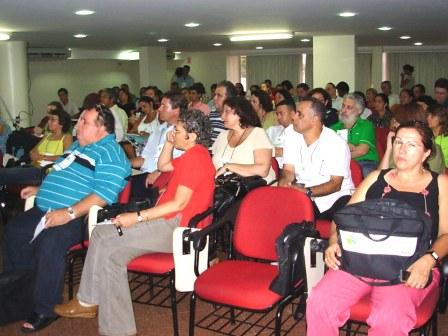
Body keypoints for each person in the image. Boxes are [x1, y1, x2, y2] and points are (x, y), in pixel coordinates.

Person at [54, 109, 215, 336]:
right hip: (168, 221)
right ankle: (115, 326)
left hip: (177, 227)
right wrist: (169, 143)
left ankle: (88, 303)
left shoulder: (196, 158)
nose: (173, 133)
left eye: (177, 130)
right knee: (110, 252)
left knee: (104, 238)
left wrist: (137, 217)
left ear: (192, 135)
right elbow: (164, 165)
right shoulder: (193, 155)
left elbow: (178, 204)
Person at [306, 121, 448, 336]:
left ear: (426, 152)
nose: (402, 149)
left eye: (411, 145)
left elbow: (447, 234)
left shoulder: (441, 184)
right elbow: (343, 218)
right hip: (363, 259)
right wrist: (334, 241)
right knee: (320, 301)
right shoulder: (376, 178)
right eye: (398, 142)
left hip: (411, 265)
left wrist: (430, 259)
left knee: (389, 317)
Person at [3, 105, 131, 333]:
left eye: (84, 122)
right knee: (15, 231)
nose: (77, 125)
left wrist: (68, 213)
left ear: (102, 128)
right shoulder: (77, 146)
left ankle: (45, 308)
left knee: (50, 243)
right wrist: (40, 189)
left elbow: (103, 195)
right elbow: (60, 174)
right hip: (46, 207)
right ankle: (23, 297)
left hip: (79, 218)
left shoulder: (110, 153)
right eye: (79, 120)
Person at [279, 98, 354, 220]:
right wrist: (285, 182)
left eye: (300, 114)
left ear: (314, 120)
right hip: (303, 195)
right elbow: (289, 170)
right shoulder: (292, 136)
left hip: (334, 198)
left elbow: (335, 184)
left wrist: (307, 192)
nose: (294, 117)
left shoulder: (335, 143)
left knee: (343, 210)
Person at [130, 91, 185, 199]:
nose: (159, 109)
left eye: (164, 106)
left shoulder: (182, 133)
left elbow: (179, 163)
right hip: (145, 175)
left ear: (176, 109)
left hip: (163, 180)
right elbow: (144, 158)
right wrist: (125, 163)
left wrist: (160, 172)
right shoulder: (158, 130)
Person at [0, 107, 72, 185]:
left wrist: (44, 157)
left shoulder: (66, 137)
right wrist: (33, 154)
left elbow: (66, 157)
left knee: (4, 174)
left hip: (43, 171)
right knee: (5, 173)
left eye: (53, 120)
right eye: (49, 119)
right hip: (31, 167)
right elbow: (32, 151)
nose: (49, 122)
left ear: (62, 123)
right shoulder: (47, 136)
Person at [212, 96, 275, 183]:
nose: (222, 116)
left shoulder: (257, 134)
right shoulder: (222, 136)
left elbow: (263, 170)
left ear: (240, 112)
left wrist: (229, 167)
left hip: (256, 189)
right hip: (227, 190)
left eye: (227, 111)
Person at [379, 103, 445, 174]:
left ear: (408, 123)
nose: (394, 125)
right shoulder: (400, 142)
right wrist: (389, 149)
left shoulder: (428, 147)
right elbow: (379, 177)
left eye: (396, 121)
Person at [331, 94, 379, 177]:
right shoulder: (334, 128)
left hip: (364, 161)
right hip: (340, 163)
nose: (344, 110)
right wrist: (348, 148)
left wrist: (342, 152)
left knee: (366, 173)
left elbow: (362, 151)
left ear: (359, 111)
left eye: (349, 107)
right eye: (343, 106)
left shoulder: (366, 125)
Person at [266, 99, 294, 168]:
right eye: (277, 114)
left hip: (287, 170)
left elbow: (288, 152)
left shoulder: (299, 132)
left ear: (292, 114)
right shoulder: (272, 130)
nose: (278, 117)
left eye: (281, 113)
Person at [209, 80, 237, 145]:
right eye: (215, 94)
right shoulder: (212, 113)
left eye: (219, 95)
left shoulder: (235, 118)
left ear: (229, 99)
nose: (214, 98)